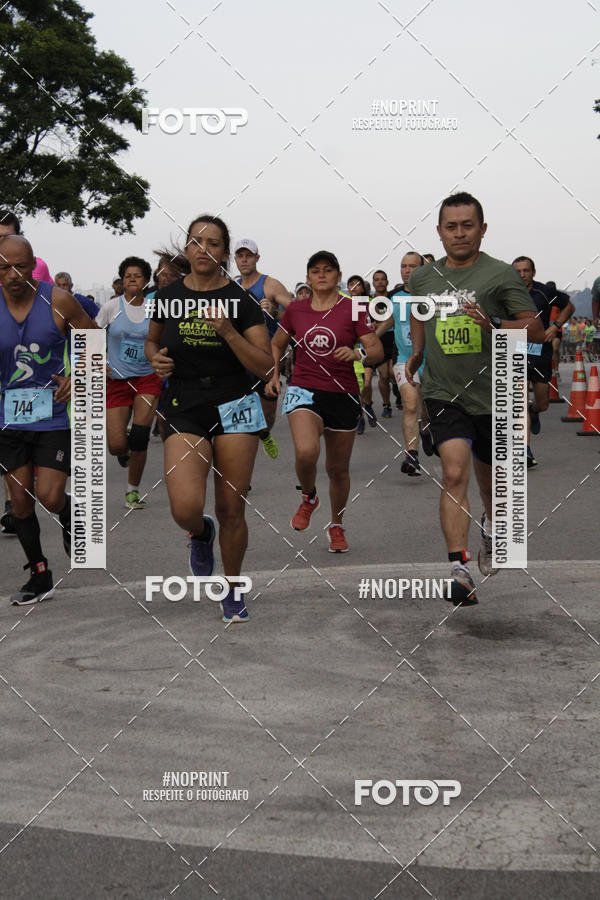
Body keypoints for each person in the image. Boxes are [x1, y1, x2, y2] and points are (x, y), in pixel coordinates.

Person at [405, 192, 544, 606]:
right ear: (439, 232)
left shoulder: (500, 276)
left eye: (468, 225)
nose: (460, 233)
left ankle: (491, 524)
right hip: (444, 392)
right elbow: (417, 310)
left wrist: (495, 322)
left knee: (492, 488)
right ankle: (459, 569)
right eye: (452, 226)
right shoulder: (423, 278)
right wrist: (416, 351)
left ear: (482, 229)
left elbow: (534, 329)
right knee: (452, 472)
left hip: (493, 392)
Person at [146, 215, 272, 623]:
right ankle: (200, 533)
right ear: (187, 249)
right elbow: (152, 340)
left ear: (224, 254)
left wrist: (229, 333)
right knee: (185, 505)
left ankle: (233, 589)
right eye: (197, 242)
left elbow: (267, 366)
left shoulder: (241, 301)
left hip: (235, 401)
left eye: (214, 243)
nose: (204, 249)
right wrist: (156, 359)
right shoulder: (167, 297)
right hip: (185, 402)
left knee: (232, 507)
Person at [0, 235, 97, 604]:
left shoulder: (57, 300)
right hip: (8, 419)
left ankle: (69, 512)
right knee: (21, 504)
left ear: (33, 264)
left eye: (20, 266)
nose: (13, 274)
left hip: (53, 415)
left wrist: (78, 375)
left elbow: (93, 340)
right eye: (4, 267)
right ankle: (39, 573)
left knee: (50, 496)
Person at [266, 251, 383, 553]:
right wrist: (274, 375)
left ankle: (336, 524)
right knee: (306, 451)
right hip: (304, 387)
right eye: (315, 271)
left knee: (337, 469)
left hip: (343, 393)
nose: (321, 275)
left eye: (328, 270)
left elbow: (376, 349)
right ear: (307, 277)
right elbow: (277, 343)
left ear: (338, 275)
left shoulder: (354, 308)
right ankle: (308, 497)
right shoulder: (296, 310)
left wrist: (358, 354)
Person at [95, 256, 162, 509]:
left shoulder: (155, 309)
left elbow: (162, 338)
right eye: (127, 276)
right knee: (116, 445)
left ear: (145, 281)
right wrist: (99, 362)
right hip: (117, 379)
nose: (132, 279)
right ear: (121, 282)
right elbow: (90, 334)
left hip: (146, 377)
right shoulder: (111, 308)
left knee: (140, 437)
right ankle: (123, 452)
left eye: (137, 275)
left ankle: (132, 490)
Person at [234, 238, 293, 459]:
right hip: (239, 358)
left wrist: (275, 312)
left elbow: (297, 314)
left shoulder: (270, 285)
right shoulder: (232, 287)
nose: (244, 259)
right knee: (241, 416)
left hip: (268, 358)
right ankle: (240, 462)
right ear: (235, 260)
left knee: (267, 413)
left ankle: (265, 433)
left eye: (249, 255)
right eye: (240, 255)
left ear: (257, 258)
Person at [512, 258, 573, 467]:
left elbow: (569, 307)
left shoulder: (544, 292)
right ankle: (524, 451)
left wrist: (554, 327)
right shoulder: (507, 292)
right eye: (518, 271)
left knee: (542, 403)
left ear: (533, 272)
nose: (522, 275)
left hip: (541, 353)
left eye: (526, 271)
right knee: (518, 403)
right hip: (516, 352)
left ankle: (535, 411)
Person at [382, 252, 426, 475]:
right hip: (404, 361)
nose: (407, 270)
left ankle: (426, 431)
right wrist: (370, 336)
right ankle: (412, 455)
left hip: (432, 362)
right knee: (410, 405)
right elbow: (387, 320)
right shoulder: (394, 297)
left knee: (427, 408)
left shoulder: (432, 295)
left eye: (412, 266)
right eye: (403, 266)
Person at [346, 275, 369, 434]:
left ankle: (364, 409)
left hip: (366, 352)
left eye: (357, 284)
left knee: (363, 387)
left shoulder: (370, 303)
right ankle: (359, 414)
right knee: (350, 391)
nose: (354, 287)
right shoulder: (343, 303)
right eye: (351, 284)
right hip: (348, 353)